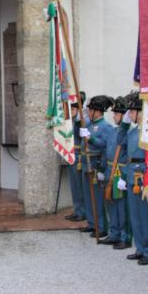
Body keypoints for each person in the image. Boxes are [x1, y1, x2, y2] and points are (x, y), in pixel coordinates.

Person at [118, 92, 148, 265]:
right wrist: (124, 125)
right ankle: (140, 248)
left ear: (141, 112)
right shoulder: (132, 132)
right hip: (132, 176)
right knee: (135, 216)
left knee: (146, 216)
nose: (130, 115)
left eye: (132, 112)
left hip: (145, 176)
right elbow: (121, 144)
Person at [78, 95, 114, 238]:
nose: (88, 112)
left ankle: (101, 226)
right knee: (88, 196)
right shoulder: (88, 125)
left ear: (98, 111)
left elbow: (105, 146)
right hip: (86, 163)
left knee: (98, 198)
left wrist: (91, 138)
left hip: (96, 163)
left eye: (91, 110)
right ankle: (92, 223)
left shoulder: (106, 127)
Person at [99, 96, 131, 248]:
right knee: (111, 204)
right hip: (109, 170)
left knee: (122, 207)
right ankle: (114, 233)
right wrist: (101, 169)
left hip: (121, 171)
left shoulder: (128, 132)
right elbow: (106, 150)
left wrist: (125, 175)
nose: (114, 116)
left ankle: (125, 236)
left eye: (117, 114)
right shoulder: (112, 131)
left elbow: (130, 156)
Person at [65, 91, 87, 222]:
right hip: (71, 154)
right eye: (70, 109)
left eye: (73, 109)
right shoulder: (71, 121)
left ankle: (83, 211)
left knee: (80, 186)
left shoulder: (82, 120)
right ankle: (77, 209)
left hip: (78, 156)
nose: (71, 111)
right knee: (74, 186)